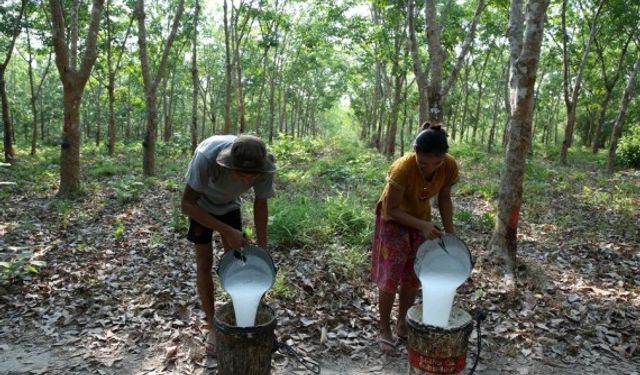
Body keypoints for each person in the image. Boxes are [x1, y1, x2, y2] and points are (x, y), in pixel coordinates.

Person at [181, 134, 277, 355]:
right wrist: (226, 230)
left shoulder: (266, 166)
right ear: (228, 164)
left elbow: (260, 205)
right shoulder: (207, 157)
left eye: (251, 177)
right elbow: (187, 204)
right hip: (201, 204)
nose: (245, 180)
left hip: (229, 205)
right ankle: (213, 327)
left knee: (238, 263)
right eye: (240, 174)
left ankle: (240, 321)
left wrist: (263, 249)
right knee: (204, 262)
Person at [370, 122, 459, 357]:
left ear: (444, 158)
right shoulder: (402, 168)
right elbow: (392, 209)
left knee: (413, 274)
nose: (429, 168)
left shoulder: (449, 167)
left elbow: (444, 199)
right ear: (415, 154)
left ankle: (402, 322)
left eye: (436, 163)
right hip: (393, 221)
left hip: (420, 217)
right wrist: (423, 225)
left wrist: (450, 233)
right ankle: (384, 328)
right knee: (390, 275)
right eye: (423, 162)